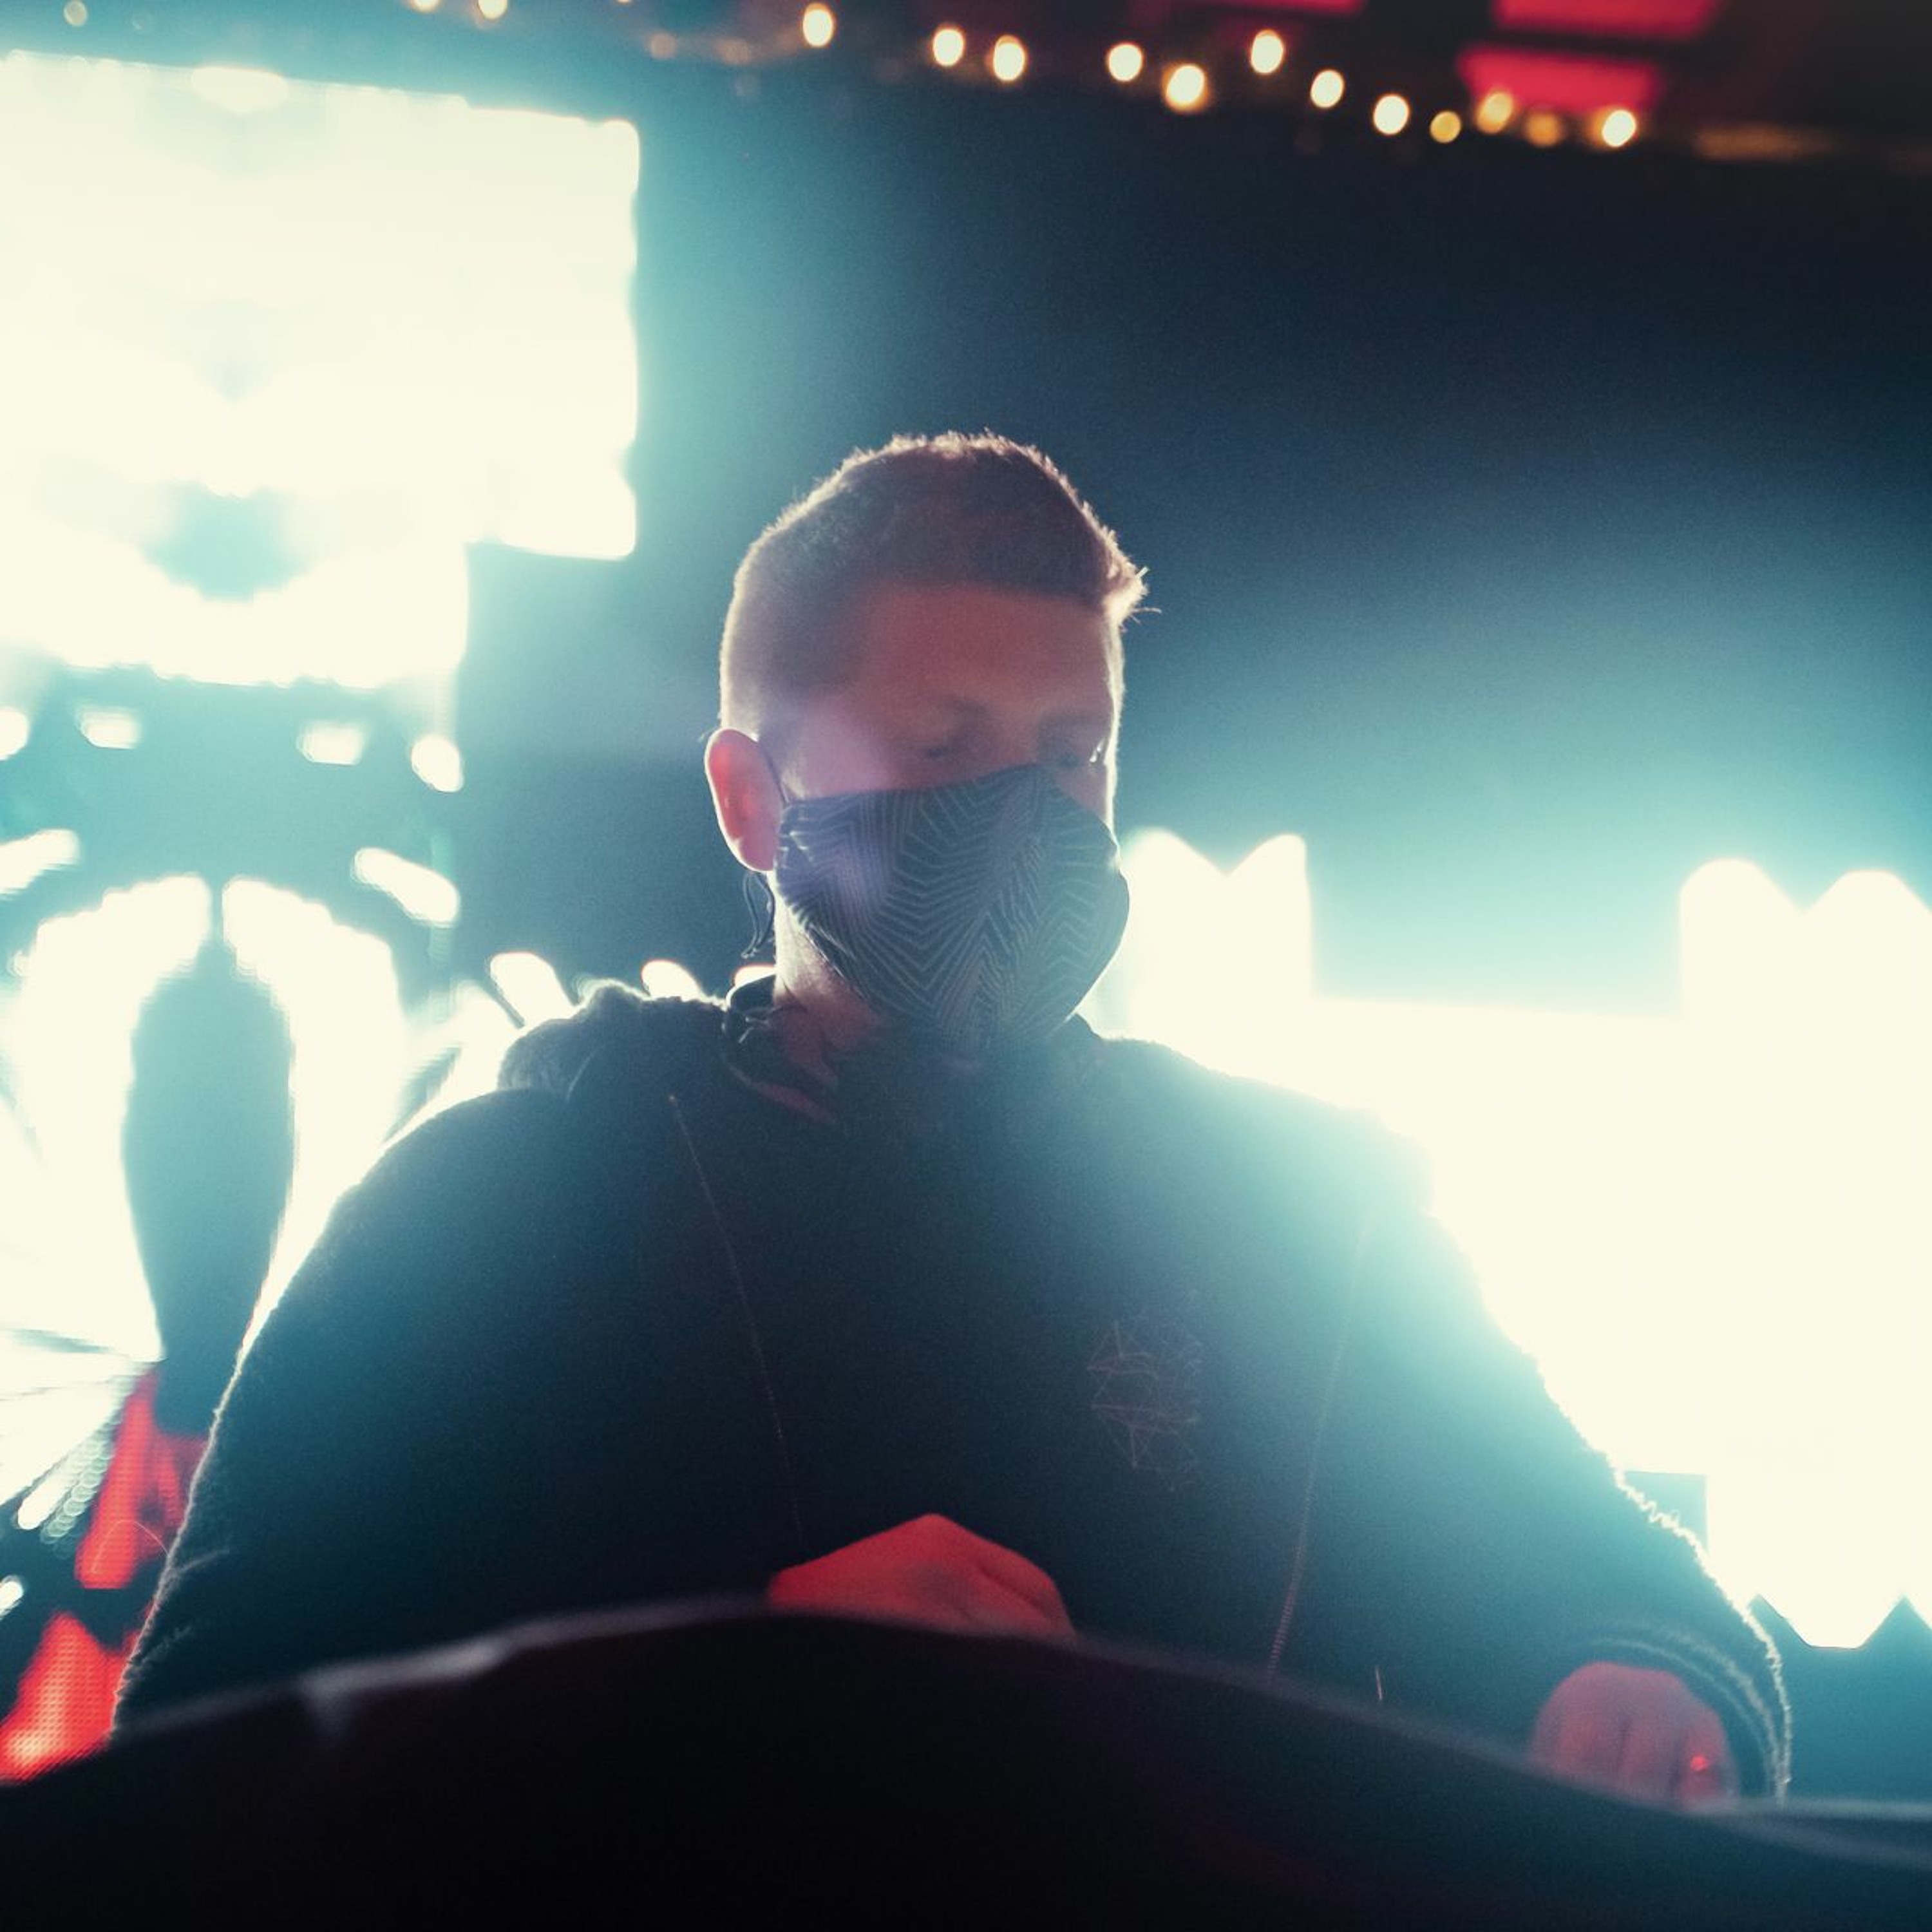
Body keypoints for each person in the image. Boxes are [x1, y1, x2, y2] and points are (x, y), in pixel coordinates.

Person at [116, 433, 1790, 1805]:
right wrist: (728, 1664)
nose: (1025, 814)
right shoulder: (494, 1209)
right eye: (942, 747)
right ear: (751, 797)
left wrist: (1639, 1681)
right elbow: (200, 1754)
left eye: (1072, 756)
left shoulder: (1291, 1218)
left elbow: (1625, 1594)